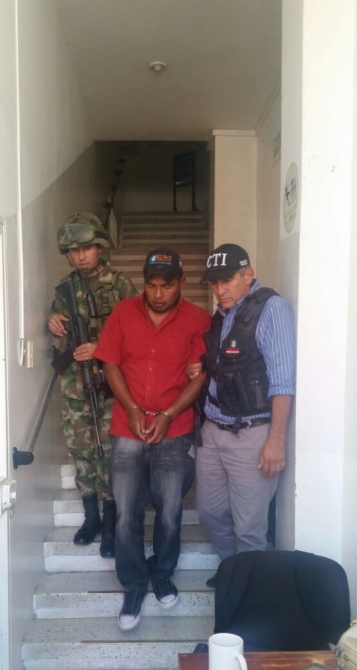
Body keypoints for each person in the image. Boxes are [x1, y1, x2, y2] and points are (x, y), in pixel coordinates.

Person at [94, 248, 211, 630]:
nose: (158, 294)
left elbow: (199, 375)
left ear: (182, 283)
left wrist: (168, 414)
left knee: (170, 511)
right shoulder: (123, 312)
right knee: (126, 512)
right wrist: (130, 408)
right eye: (151, 285)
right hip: (127, 427)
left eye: (167, 285)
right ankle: (133, 583)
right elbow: (110, 362)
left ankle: (161, 572)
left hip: (174, 429)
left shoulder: (198, 319)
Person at [194, 243, 296, 586]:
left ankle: (248, 591)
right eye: (214, 283)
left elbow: (283, 382)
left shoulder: (271, 309)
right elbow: (226, 366)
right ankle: (234, 570)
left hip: (251, 434)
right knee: (209, 513)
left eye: (227, 281)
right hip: (213, 431)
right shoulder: (223, 314)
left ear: (248, 275)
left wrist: (276, 441)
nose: (219, 290)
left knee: (249, 526)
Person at [48, 212, 137, 558]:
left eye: (86, 248)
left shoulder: (121, 286)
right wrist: (53, 320)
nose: (81, 256)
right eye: (74, 251)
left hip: (110, 385)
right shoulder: (64, 289)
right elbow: (59, 336)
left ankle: (112, 523)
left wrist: (100, 348)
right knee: (82, 451)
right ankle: (91, 518)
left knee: (110, 452)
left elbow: (136, 336)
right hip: (75, 384)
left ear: (100, 248)